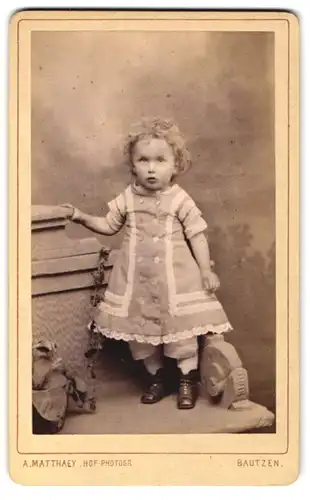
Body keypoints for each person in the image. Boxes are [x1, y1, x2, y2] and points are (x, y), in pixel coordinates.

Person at [63, 117, 232, 409]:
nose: (151, 168)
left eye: (160, 160)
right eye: (143, 160)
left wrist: (205, 270)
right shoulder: (127, 198)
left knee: (181, 336)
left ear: (175, 165)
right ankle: (157, 378)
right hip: (136, 283)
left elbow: (198, 236)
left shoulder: (179, 199)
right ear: (133, 165)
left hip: (175, 282)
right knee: (141, 338)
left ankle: (185, 379)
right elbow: (108, 225)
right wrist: (80, 216)